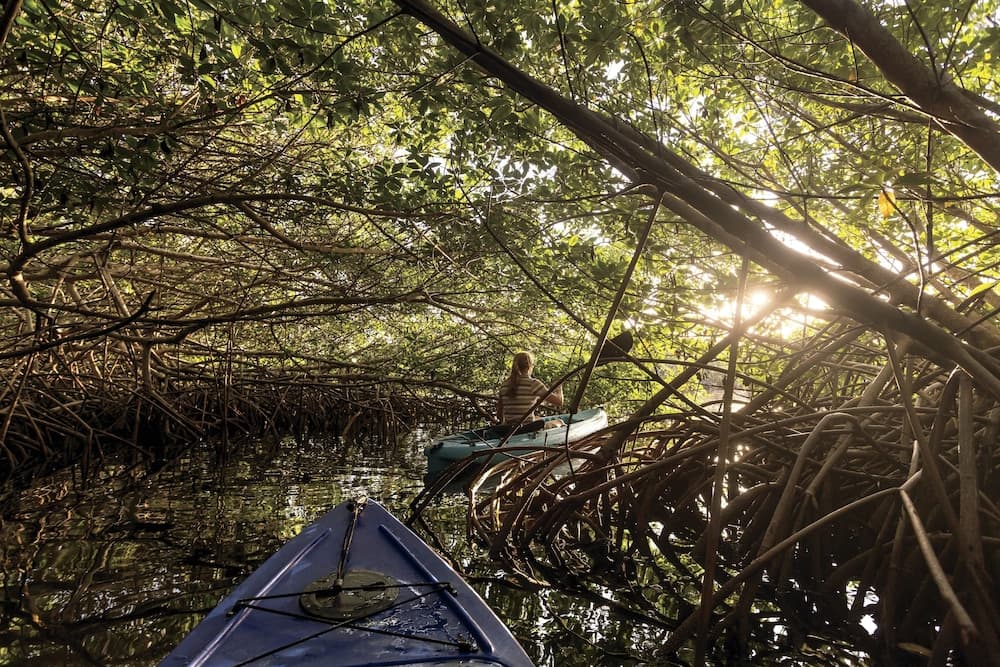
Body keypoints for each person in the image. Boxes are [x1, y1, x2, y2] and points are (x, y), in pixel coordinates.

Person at [497, 351, 564, 430]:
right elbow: (559, 402)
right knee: (559, 422)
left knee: (537, 418)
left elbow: (499, 415)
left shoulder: (504, 385)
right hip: (527, 429)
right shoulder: (533, 384)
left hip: (509, 430)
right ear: (530, 366)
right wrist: (559, 388)